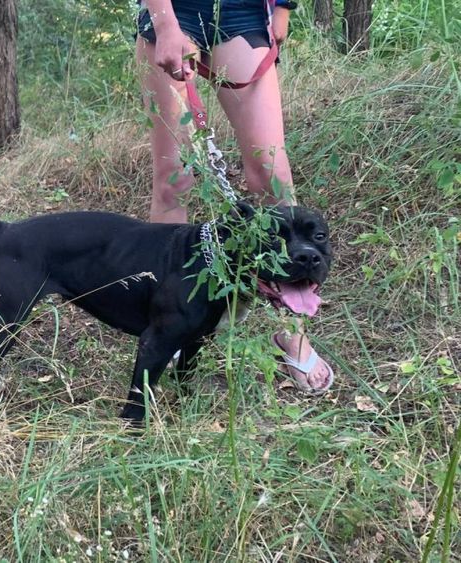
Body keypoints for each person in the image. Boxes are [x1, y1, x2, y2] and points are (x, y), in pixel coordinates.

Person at [135, 0, 333, 392]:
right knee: (174, 179)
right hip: (174, 12)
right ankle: (168, 319)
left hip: (244, 11)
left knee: (272, 175)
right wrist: (165, 23)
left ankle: (290, 330)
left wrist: (283, 10)